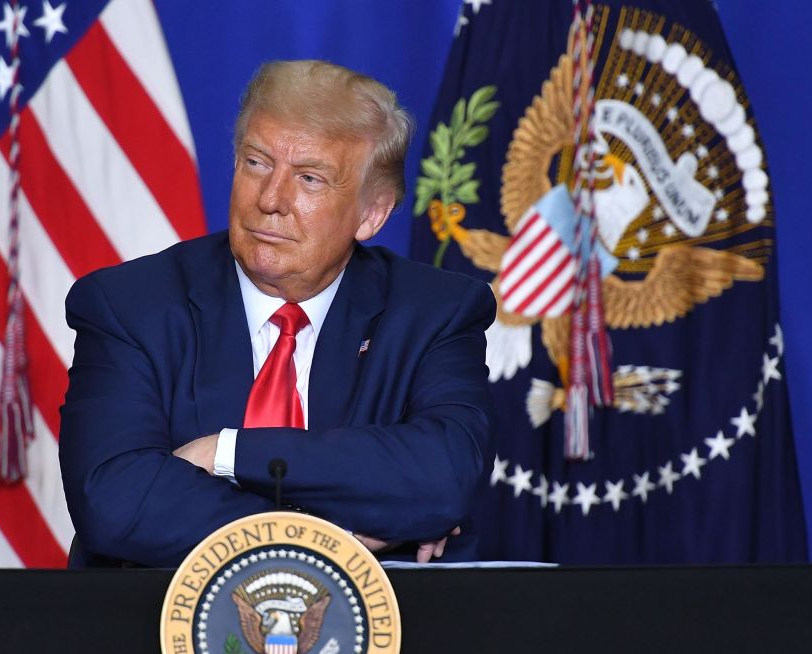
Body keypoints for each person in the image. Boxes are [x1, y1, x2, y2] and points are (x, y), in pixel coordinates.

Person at [59, 60, 495, 568]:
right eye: (257, 163)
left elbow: (445, 477)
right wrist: (330, 538)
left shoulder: (434, 313)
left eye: (309, 178)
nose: (270, 199)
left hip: (379, 637)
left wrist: (227, 453)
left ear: (372, 213)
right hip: (154, 632)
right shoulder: (131, 306)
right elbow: (115, 502)